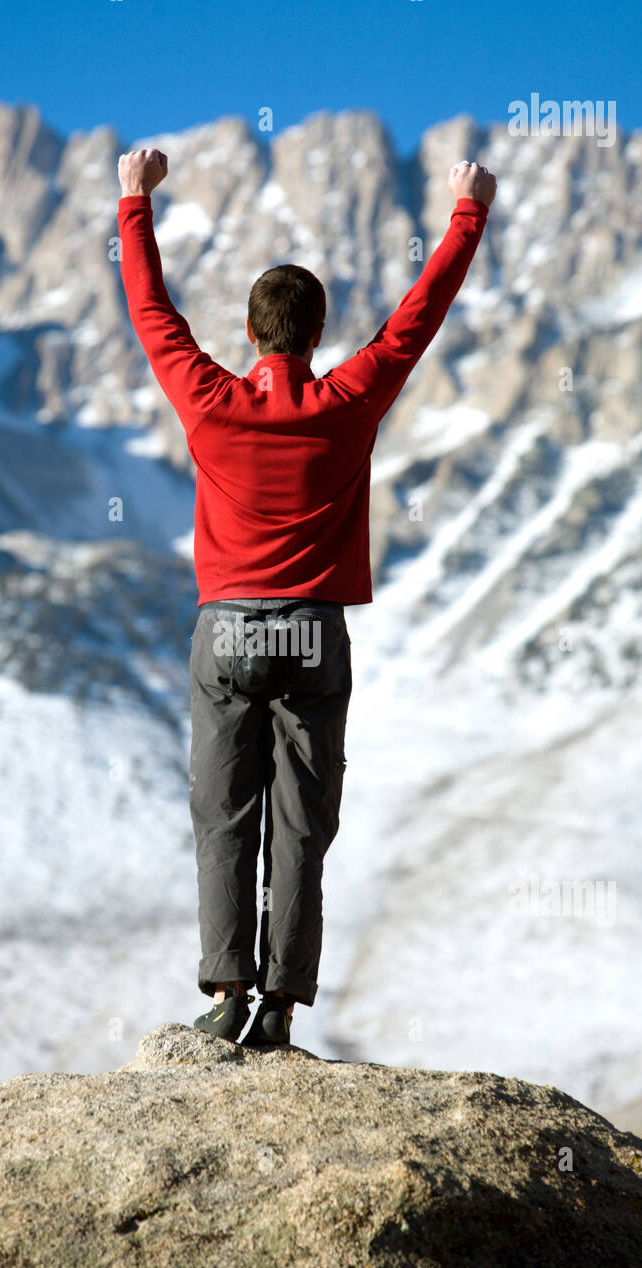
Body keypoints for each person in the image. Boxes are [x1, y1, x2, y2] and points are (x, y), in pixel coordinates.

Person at [116, 145, 495, 1047]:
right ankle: (281, 1008)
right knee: (301, 825)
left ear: (250, 336)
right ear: (316, 336)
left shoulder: (209, 398)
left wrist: (134, 199)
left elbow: (149, 312)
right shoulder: (348, 401)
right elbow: (418, 318)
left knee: (224, 816)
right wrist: (466, 213)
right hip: (317, 636)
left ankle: (225, 996)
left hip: (226, 637)